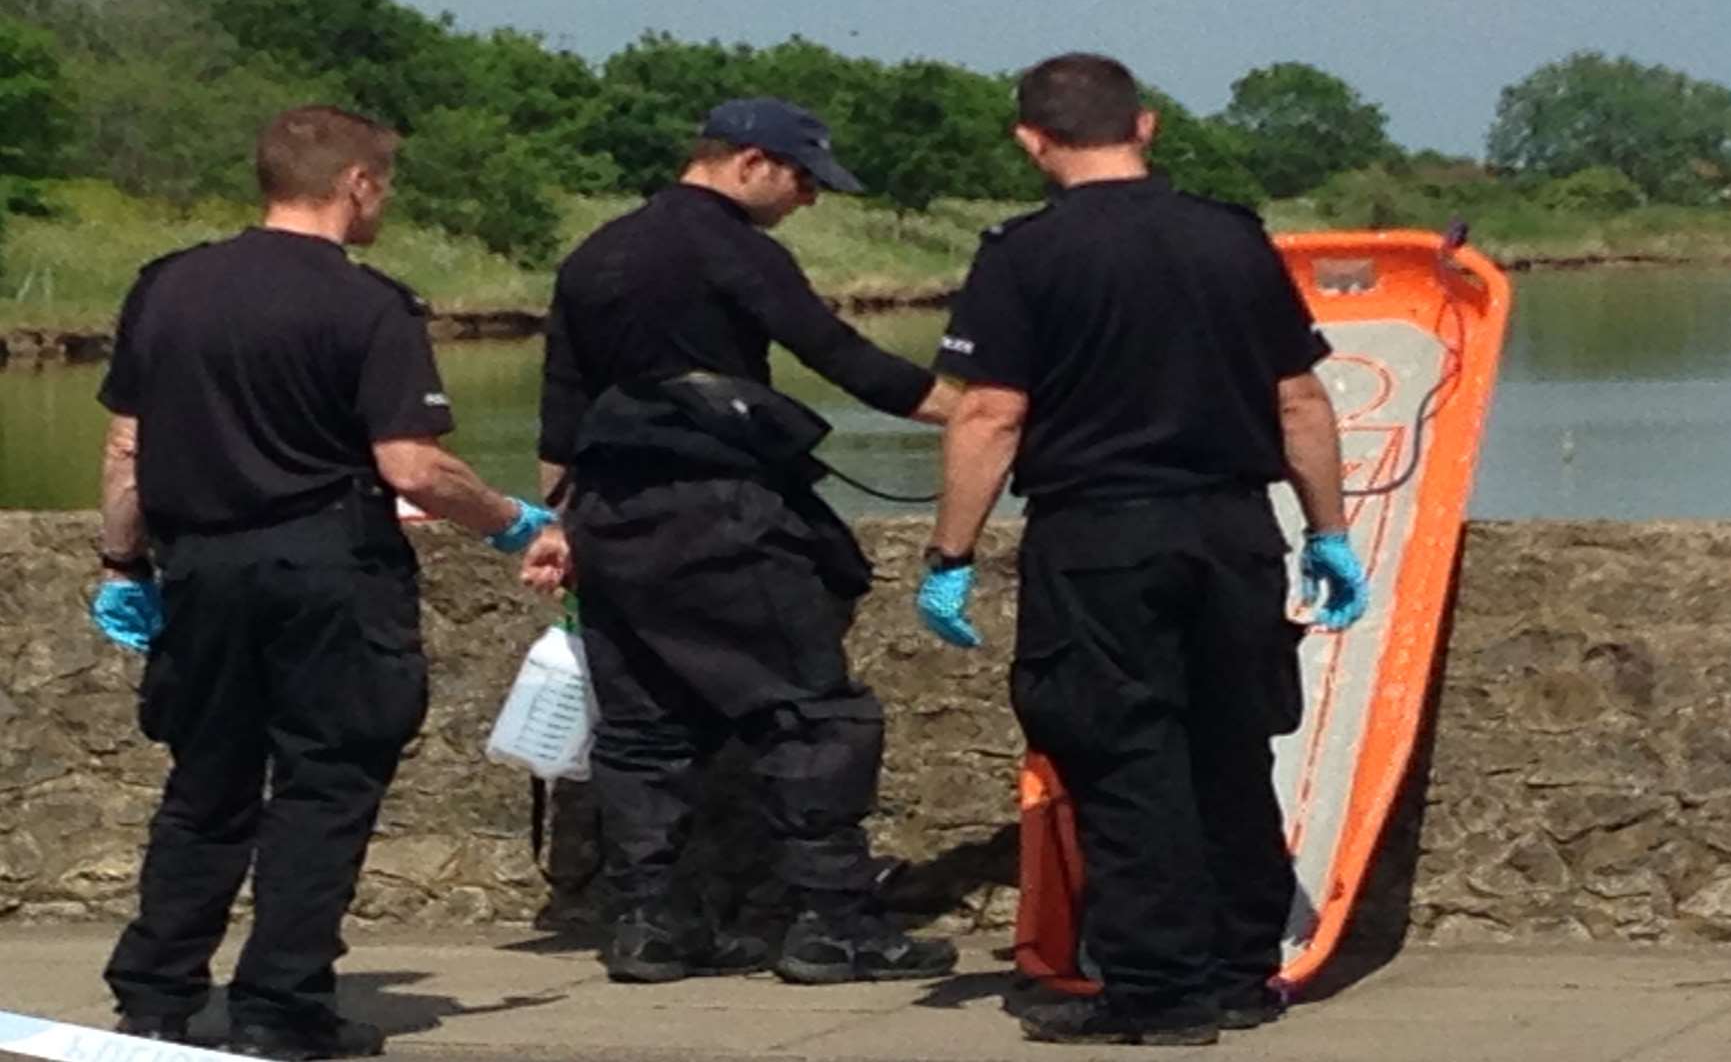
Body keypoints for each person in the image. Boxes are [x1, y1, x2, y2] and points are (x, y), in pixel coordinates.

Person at [915, 54, 1369, 1046]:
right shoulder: (1236, 240)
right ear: (1147, 126)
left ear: (1031, 141)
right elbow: (1299, 400)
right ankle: (1241, 972)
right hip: (1231, 527)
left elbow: (990, 413)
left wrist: (950, 553)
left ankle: (1160, 996)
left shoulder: (1022, 256)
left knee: (1124, 757)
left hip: (1099, 534)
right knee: (1229, 747)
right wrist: (1329, 533)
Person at [89, 105, 556, 1060]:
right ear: (357, 184)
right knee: (324, 786)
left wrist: (121, 564)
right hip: (327, 565)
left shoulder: (167, 287)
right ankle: (279, 1006)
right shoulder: (369, 304)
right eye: (384, 184)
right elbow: (413, 468)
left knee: (205, 783)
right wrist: (516, 521)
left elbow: (127, 448)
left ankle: (154, 997)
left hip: (203, 565)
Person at [519, 97, 962, 986]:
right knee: (811, 711)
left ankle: (648, 925)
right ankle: (833, 923)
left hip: (609, 514)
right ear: (751, 162)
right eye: (804, 178)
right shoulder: (734, 249)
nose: (809, 199)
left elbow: (559, 415)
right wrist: (979, 415)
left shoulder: (593, 253)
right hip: (721, 513)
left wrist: (560, 527)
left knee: (644, 727)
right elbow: (842, 358)